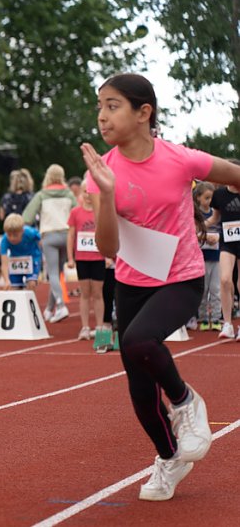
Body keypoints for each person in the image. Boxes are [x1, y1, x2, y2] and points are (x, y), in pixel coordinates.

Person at [81, 72, 236, 501]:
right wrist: (107, 196)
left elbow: (233, 174)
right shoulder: (101, 171)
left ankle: (187, 404)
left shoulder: (180, 160)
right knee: (138, 383)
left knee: (139, 340)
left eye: (112, 106)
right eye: (99, 106)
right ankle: (168, 459)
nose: (102, 117)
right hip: (131, 280)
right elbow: (108, 246)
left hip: (180, 277)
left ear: (143, 112)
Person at [23, 164, 77, 323]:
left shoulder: (41, 195)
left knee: (52, 273)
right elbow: (78, 212)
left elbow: (27, 216)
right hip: (67, 236)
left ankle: (60, 306)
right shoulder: (69, 194)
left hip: (49, 236)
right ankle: (48, 309)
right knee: (58, 273)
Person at [66, 178, 106, 340]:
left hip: (98, 257)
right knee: (84, 293)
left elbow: (106, 233)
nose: (88, 195)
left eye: (91, 192)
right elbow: (70, 236)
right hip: (82, 258)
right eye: (85, 192)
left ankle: (100, 326)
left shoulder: (100, 211)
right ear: (81, 193)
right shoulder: (75, 212)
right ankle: (84, 327)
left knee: (97, 293)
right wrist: (70, 257)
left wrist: (108, 255)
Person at [206, 164, 240, 339]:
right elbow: (214, 217)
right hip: (228, 241)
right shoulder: (219, 195)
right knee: (225, 279)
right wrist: (200, 227)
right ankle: (227, 324)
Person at [192, 182, 220, 331]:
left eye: (211, 198)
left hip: (216, 257)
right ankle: (202, 318)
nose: (210, 201)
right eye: (207, 197)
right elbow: (191, 233)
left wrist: (218, 238)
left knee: (215, 288)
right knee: (203, 290)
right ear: (198, 198)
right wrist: (204, 237)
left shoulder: (217, 214)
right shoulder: (196, 215)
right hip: (201, 258)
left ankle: (216, 318)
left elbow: (225, 230)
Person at [0, 214, 42, 291]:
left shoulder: (30, 233)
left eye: (15, 235)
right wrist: (6, 280)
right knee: (13, 287)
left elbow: (41, 239)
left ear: (22, 231)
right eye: (9, 235)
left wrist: (40, 254)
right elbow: (4, 263)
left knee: (31, 283)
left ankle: (29, 301)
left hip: (32, 259)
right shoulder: (4, 240)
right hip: (16, 262)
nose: (12, 238)